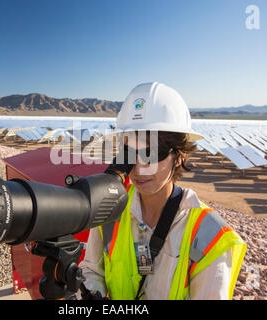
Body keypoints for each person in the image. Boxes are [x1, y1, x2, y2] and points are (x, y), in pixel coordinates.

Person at [79, 82, 246, 300]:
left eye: (152, 153)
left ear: (180, 157)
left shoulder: (211, 237)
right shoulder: (110, 207)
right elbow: (92, 270)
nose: (138, 167)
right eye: (129, 154)